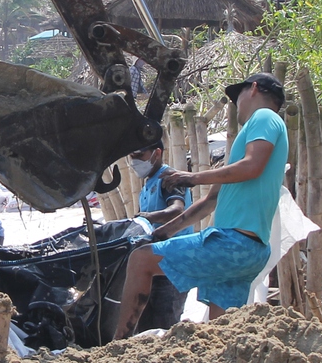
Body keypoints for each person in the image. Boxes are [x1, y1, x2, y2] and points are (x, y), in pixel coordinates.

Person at [112, 73, 288, 339]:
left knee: (141, 260)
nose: (236, 105)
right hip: (249, 251)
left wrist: (192, 177)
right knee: (220, 335)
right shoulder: (254, 133)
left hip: (233, 244)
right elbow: (210, 201)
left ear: (253, 89)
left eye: (237, 97)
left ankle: (119, 344)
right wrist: (163, 232)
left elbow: (252, 166)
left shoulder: (265, 117)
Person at [127, 142, 193, 331]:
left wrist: (147, 217)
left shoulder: (169, 178)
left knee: (165, 322)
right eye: (132, 157)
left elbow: (176, 209)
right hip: (153, 265)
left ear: (157, 153)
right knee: (145, 325)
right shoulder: (147, 186)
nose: (135, 162)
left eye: (139, 155)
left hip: (173, 265)